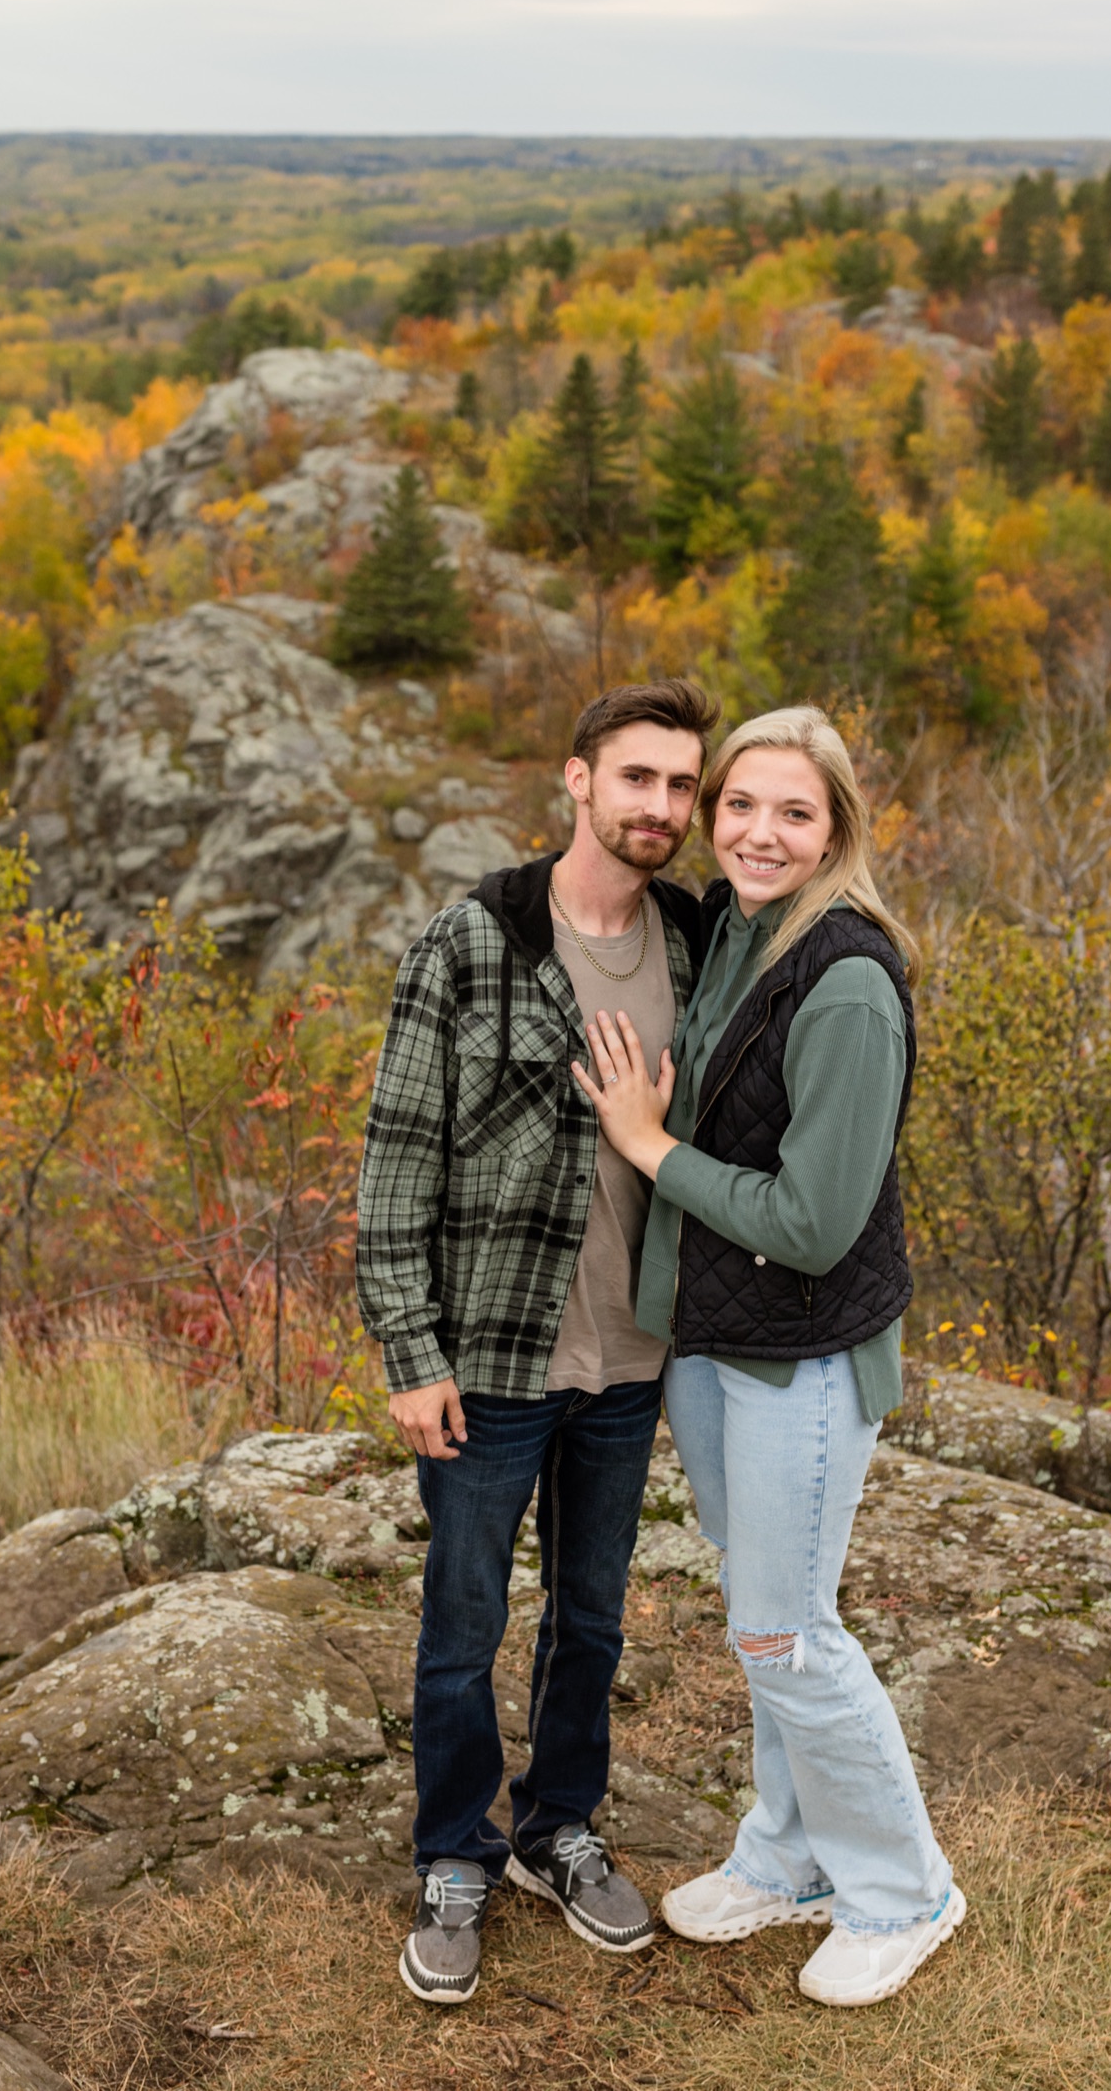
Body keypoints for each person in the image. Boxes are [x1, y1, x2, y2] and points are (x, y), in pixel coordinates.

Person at [571, 705, 964, 2011]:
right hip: (718, 1340)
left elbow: (812, 1220)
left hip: (802, 1353)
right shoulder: (736, 932)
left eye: (795, 811)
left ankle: (904, 1891)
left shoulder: (846, 978)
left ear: (837, 827)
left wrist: (650, 1145)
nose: (759, 830)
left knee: (789, 1630)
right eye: (741, 803)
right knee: (763, 1627)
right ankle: (788, 1855)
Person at [355, 678, 719, 2005]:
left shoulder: (695, 941)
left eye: (683, 787)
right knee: (463, 1619)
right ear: (578, 780)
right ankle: (457, 1848)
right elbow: (396, 1163)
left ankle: (558, 1827)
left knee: (594, 1612)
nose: (662, 810)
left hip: (635, 1357)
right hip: (492, 1361)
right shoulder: (475, 941)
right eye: (639, 780)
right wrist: (412, 1349)